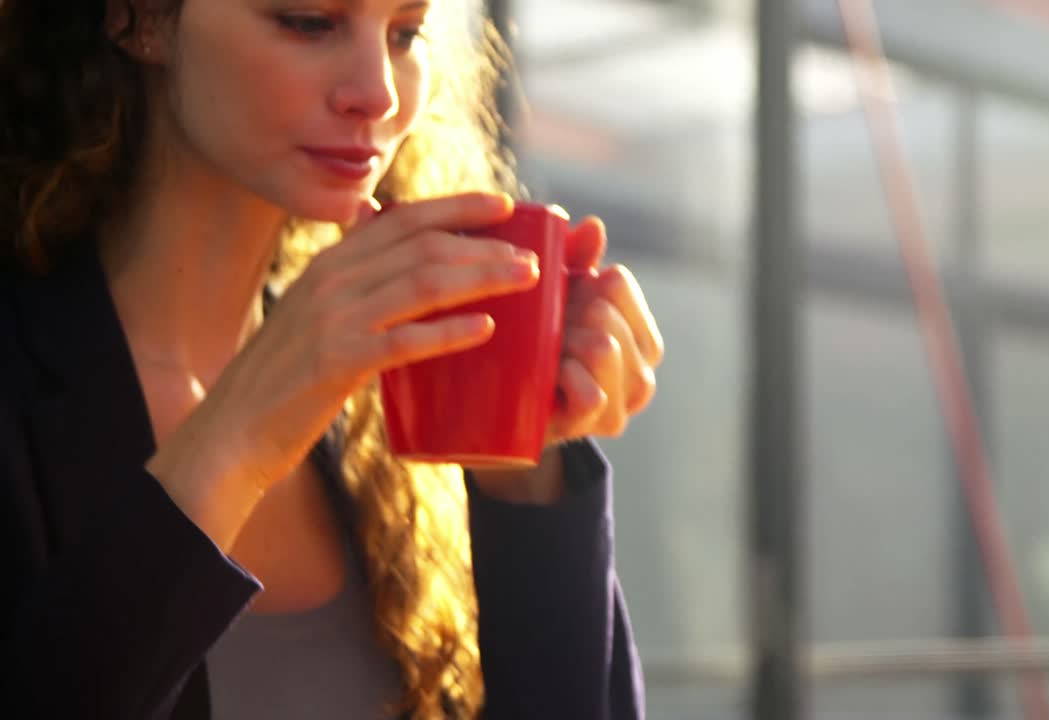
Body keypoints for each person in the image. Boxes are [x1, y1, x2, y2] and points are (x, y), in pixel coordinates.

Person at [0, 0, 664, 718]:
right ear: (140, 20)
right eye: (309, 21)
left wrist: (522, 467)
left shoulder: (374, 393)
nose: (379, 91)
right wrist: (236, 440)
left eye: (406, 33)